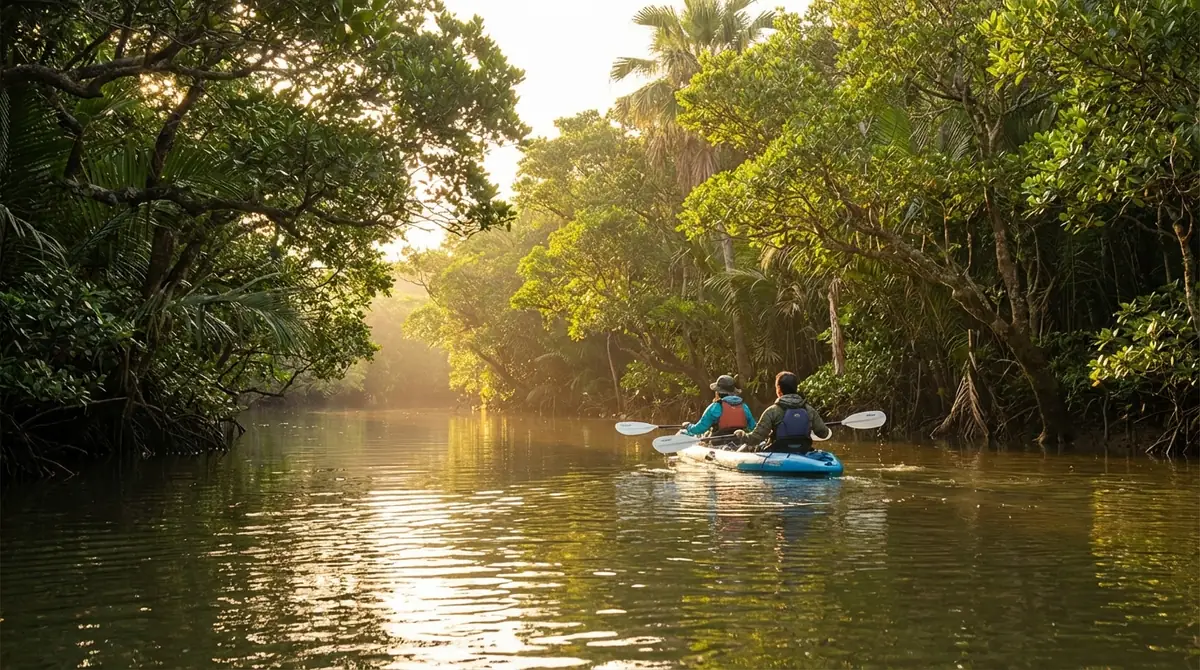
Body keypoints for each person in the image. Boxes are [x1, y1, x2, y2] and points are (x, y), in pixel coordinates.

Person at [733, 371, 830, 452]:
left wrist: (743, 435)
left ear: (779, 390)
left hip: (777, 451)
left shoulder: (772, 411)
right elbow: (824, 433)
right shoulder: (809, 410)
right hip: (803, 450)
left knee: (753, 447)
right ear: (795, 388)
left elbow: (755, 439)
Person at [682, 374, 756, 443]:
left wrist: (688, 426)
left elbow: (699, 429)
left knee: (692, 434)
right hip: (739, 442)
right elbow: (754, 427)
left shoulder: (715, 407)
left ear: (718, 392)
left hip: (718, 443)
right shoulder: (744, 406)